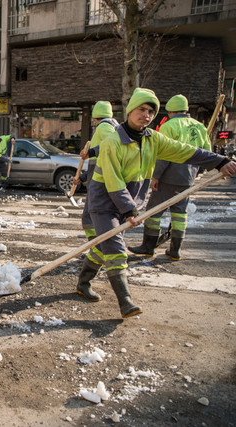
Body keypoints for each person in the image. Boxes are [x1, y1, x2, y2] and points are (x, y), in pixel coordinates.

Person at [75, 87, 236, 318]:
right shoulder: (113, 141)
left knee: (102, 246)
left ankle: (83, 282)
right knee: (116, 249)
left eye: (151, 111)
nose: (147, 115)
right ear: (130, 110)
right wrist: (129, 209)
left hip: (129, 201)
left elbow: (186, 151)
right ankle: (126, 302)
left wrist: (219, 161)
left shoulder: (154, 139)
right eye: (142, 109)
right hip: (105, 201)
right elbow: (113, 182)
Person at [127, 95, 211, 261]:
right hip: (188, 178)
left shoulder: (169, 126)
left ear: (170, 111)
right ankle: (175, 250)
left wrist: (156, 176)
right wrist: (198, 171)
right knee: (180, 214)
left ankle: (148, 246)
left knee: (154, 211)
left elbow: (163, 155)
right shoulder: (199, 126)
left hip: (168, 176)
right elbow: (206, 152)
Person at [73, 101, 119, 241]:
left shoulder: (104, 127)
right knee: (98, 217)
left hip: (99, 183)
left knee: (89, 218)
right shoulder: (114, 126)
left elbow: (112, 145)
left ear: (95, 117)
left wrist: (92, 151)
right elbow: (100, 161)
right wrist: (83, 176)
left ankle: (97, 248)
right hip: (103, 179)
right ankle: (99, 248)